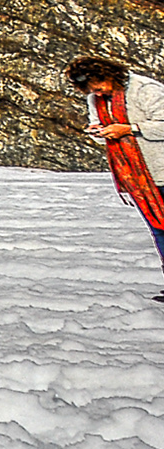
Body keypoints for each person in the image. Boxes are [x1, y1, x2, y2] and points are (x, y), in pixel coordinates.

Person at [69, 58, 164, 299]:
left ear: (109, 74)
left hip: (160, 167)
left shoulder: (145, 90)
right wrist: (98, 131)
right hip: (137, 177)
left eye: (99, 85)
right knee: (158, 229)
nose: (98, 92)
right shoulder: (96, 99)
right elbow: (99, 125)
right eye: (92, 89)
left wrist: (130, 128)